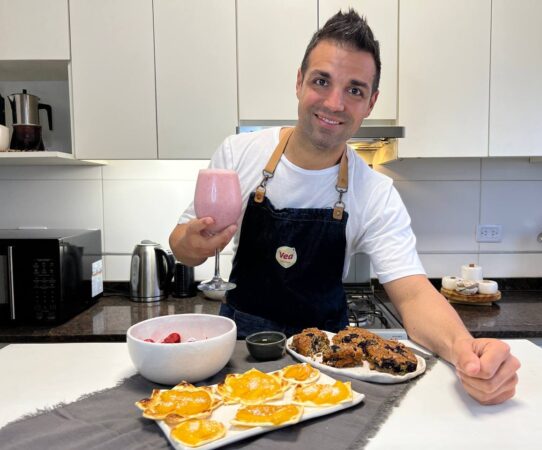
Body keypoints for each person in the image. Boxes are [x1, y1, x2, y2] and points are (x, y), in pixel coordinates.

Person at [170, 9, 520, 405]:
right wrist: (192, 245)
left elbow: (413, 295)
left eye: (354, 90)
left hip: (328, 366)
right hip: (241, 355)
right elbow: (182, 246)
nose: (334, 103)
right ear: (299, 82)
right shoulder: (239, 154)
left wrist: (464, 351)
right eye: (322, 81)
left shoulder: (375, 193)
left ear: (370, 102)